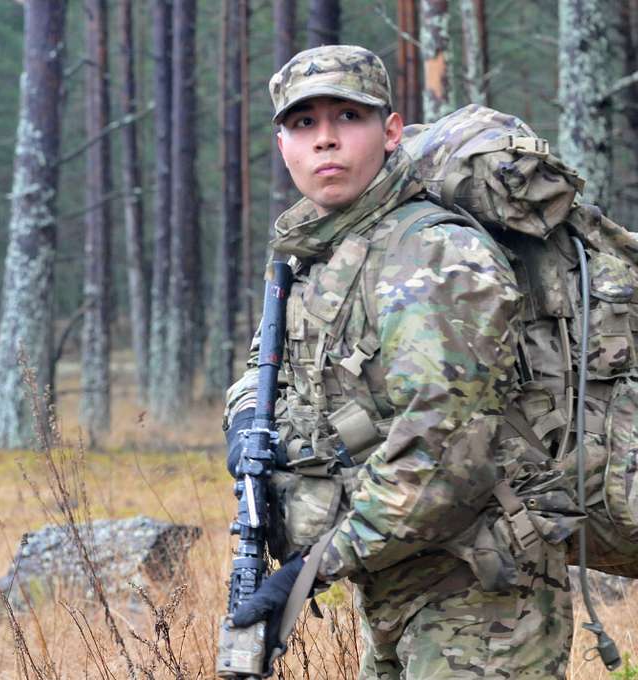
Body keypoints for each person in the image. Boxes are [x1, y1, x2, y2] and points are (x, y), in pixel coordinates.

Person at [222, 44, 573, 678]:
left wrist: (314, 567)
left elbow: (446, 450)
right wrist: (245, 421)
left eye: (346, 118)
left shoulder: (433, 254)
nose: (325, 141)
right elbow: (265, 364)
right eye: (304, 124)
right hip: (393, 583)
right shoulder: (323, 254)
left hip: (479, 594)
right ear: (282, 145)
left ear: (389, 132)